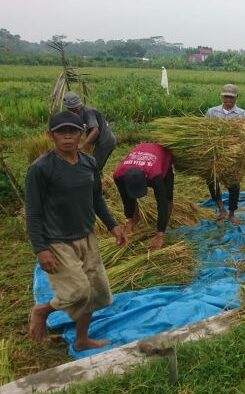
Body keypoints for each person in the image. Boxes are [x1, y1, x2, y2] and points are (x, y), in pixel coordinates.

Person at [25, 111, 127, 351]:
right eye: (62, 132)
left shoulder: (88, 163)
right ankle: (42, 311)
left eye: (73, 131)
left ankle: (82, 340)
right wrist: (41, 249)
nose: (68, 137)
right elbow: (33, 212)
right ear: (51, 135)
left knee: (95, 293)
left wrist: (113, 225)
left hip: (86, 236)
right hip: (56, 241)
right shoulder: (40, 169)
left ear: (82, 134)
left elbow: (97, 198)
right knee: (76, 291)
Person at [205, 84, 245, 223]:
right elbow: (205, 131)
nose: (228, 100)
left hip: (235, 155)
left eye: (231, 97)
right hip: (216, 154)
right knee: (212, 180)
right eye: (226, 96)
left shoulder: (243, 114)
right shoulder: (212, 112)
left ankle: (232, 213)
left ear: (236, 98)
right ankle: (221, 209)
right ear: (222, 96)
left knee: (234, 183)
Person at [113, 143, 174, 250]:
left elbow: (162, 203)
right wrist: (129, 220)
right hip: (142, 154)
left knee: (167, 197)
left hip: (161, 156)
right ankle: (134, 220)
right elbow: (126, 199)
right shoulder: (118, 175)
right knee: (128, 203)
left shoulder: (155, 176)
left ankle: (163, 229)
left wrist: (160, 235)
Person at [62, 92, 117, 172]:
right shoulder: (79, 114)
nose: (69, 111)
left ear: (74, 107)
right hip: (100, 143)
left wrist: (82, 146)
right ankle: (97, 179)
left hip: (105, 142)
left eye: (69, 109)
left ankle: (95, 182)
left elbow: (95, 131)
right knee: (95, 165)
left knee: (94, 167)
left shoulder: (88, 112)